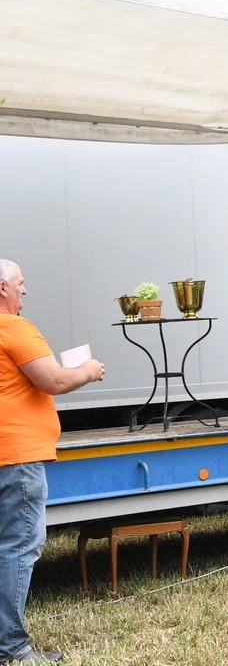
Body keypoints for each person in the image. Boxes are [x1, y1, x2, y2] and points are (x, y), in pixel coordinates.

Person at [0, 259, 105, 663]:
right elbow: (54, 381)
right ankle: (11, 648)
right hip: (18, 456)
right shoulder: (14, 328)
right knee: (19, 546)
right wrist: (89, 371)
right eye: (20, 284)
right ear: (2, 289)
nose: (24, 291)